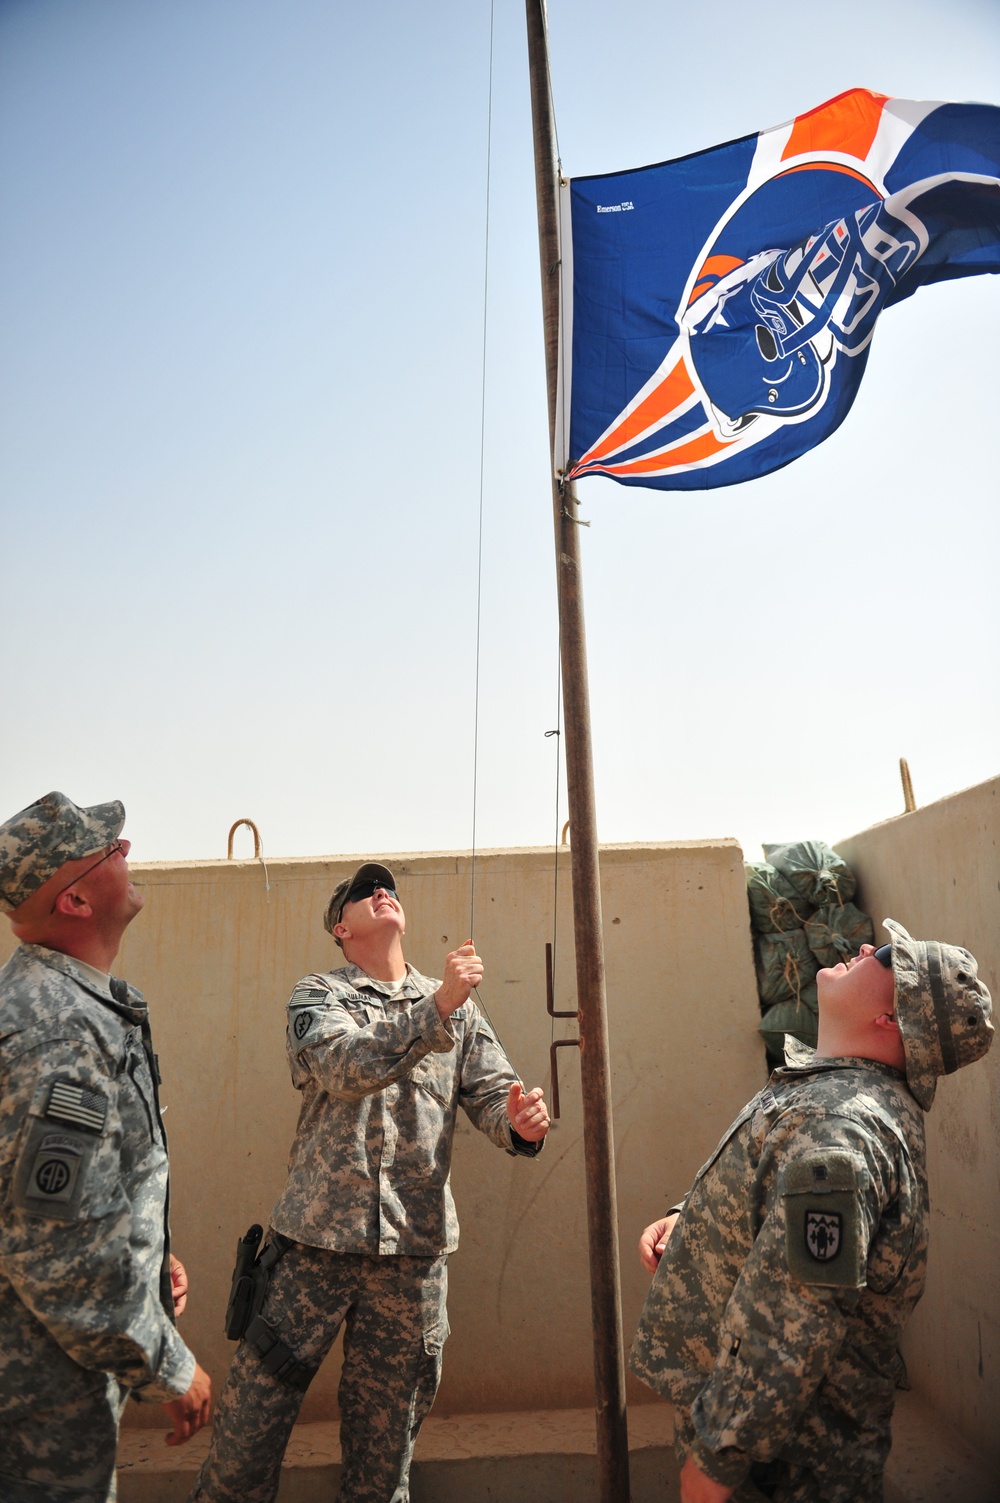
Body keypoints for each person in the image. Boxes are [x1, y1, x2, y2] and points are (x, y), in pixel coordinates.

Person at [191, 860, 550, 1503]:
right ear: (340, 927)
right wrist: (436, 1005)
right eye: (364, 892)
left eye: (388, 888)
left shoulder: (460, 1013)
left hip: (411, 1260)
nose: (382, 893)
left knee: (383, 1463)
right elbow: (344, 1067)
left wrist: (520, 1122)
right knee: (247, 1435)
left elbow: (495, 1096)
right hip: (312, 1251)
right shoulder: (318, 996)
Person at [631, 919, 993, 1503]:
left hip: (786, 1464)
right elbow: (777, 1192)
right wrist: (693, 1219)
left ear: (892, 1019)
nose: (867, 948)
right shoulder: (830, 1092)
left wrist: (722, 1454)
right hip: (771, 1439)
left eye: (885, 959)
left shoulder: (840, 1126)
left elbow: (796, 1309)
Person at [0, 790, 212, 1503]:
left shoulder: (76, 1002)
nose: (126, 850)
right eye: (108, 849)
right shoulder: (57, 1032)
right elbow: (57, 1249)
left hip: (54, 1386)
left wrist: (147, 1255)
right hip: (37, 1413)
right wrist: (165, 1363)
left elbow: (82, 1192)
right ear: (77, 902)